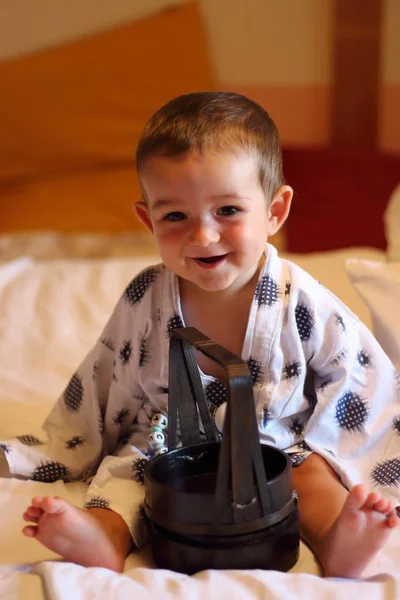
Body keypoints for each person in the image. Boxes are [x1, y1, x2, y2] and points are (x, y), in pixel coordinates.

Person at [1, 92, 399, 578]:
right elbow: (106, 374)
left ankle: (343, 539)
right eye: (175, 216)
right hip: (169, 444)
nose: (203, 236)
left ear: (275, 211)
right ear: (148, 220)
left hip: (278, 445)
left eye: (228, 210)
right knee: (127, 476)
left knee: (315, 478)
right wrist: (64, 445)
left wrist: (362, 452)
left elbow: (358, 376)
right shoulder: (147, 296)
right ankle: (102, 537)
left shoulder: (300, 297)